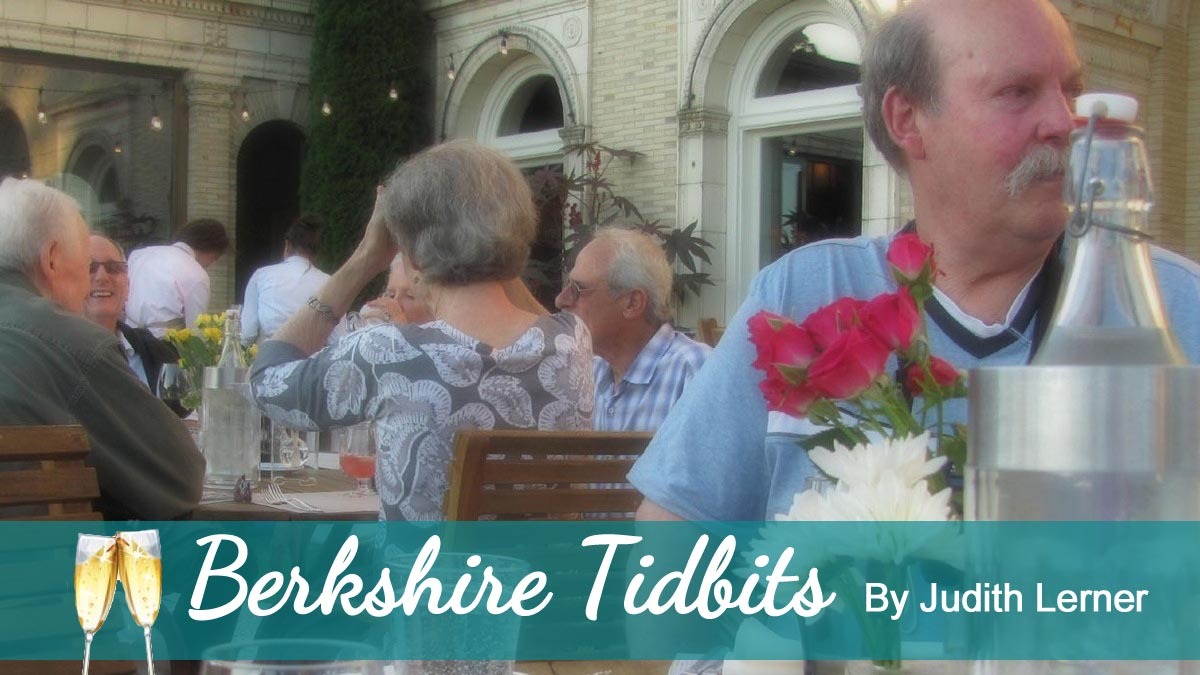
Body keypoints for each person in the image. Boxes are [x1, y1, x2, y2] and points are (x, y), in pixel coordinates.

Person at [630, 0, 1200, 522]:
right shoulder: (805, 292)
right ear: (907, 119)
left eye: (1070, 91)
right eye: (1017, 92)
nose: (1063, 122)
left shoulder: (1173, 310)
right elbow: (670, 534)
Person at [250, 140, 594, 521]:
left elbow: (266, 383)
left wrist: (366, 257)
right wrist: (494, 244)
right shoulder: (573, 341)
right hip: (552, 563)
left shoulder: (388, 352)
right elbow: (543, 322)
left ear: (412, 257)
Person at [0, 178, 204, 520]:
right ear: (52, 260)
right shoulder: (69, 343)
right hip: (48, 555)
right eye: (86, 266)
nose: (90, 285)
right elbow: (181, 478)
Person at [556, 228, 711, 431]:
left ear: (632, 303)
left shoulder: (695, 372)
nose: (560, 300)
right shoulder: (589, 372)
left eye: (578, 289)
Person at [83, 234, 183, 397]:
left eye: (113, 268)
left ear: (128, 287)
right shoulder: (49, 358)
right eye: (89, 267)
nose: (102, 277)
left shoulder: (159, 354)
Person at [125, 217, 229, 337]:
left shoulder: (139, 255)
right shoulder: (196, 273)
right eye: (215, 258)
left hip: (127, 335)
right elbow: (196, 328)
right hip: (162, 341)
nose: (211, 264)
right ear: (211, 250)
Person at [241, 214, 331, 344]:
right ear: (317, 252)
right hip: (313, 354)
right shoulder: (328, 282)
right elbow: (338, 337)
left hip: (270, 351)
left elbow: (248, 333)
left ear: (287, 245)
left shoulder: (261, 276)